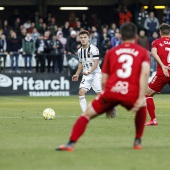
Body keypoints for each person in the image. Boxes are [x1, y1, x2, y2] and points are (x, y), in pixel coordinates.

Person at [56, 23, 150, 151]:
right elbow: (145, 74)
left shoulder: (111, 52)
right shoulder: (143, 52)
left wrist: (107, 100)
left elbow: (105, 78)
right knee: (142, 105)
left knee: (86, 115)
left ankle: (70, 143)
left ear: (120, 36)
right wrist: (140, 97)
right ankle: (137, 141)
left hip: (112, 91)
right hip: (131, 92)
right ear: (135, 37)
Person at [145, 23, 170, 126]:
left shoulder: (156, 42)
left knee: (147, 94)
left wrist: (163, 65)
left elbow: (153, 53)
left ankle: (153, 120)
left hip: (162, 73)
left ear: (160, 32)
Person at [71, 30, 102, 112]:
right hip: (86, 75)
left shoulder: (94, 49)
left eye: (85, 37)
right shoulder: (80, 51)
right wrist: (77, 74)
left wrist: (89, 71)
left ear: (88, 38)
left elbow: (96, 63)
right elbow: (81, 63)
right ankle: (85, 113)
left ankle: (111, 107)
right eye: (81, 38)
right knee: (81, 93)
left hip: (96, 74)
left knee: (100, 95)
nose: (83, 39)